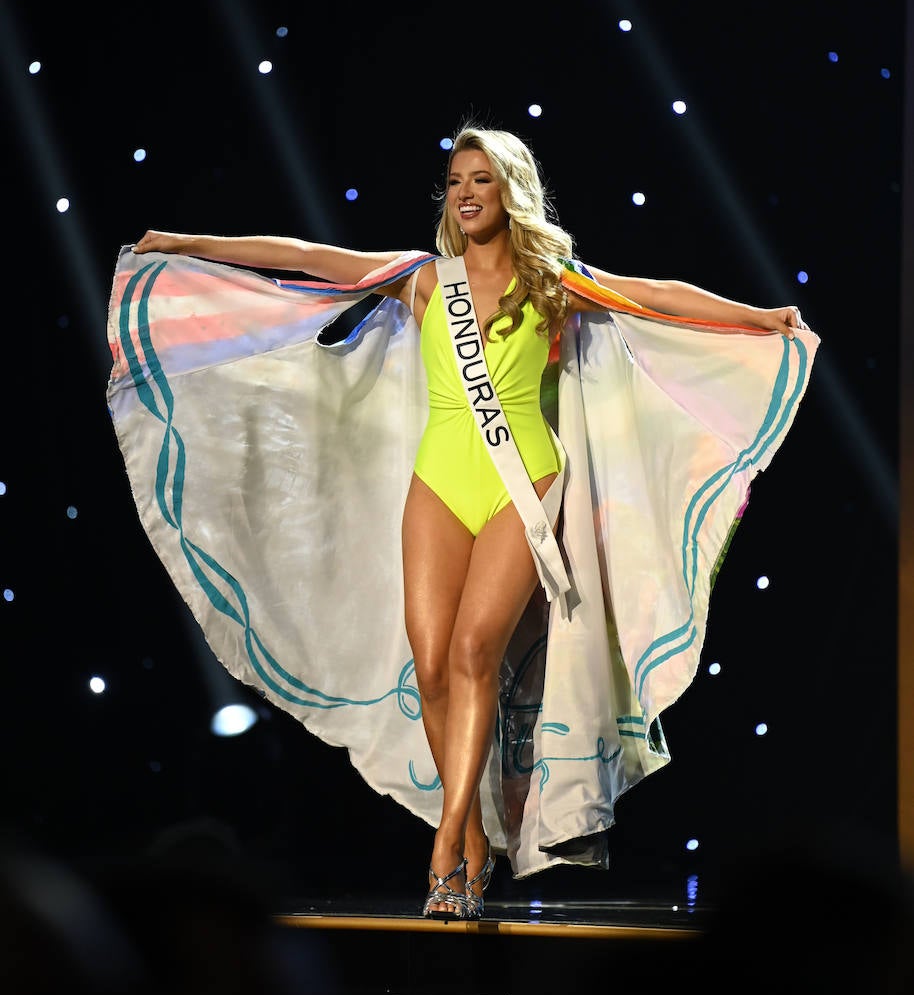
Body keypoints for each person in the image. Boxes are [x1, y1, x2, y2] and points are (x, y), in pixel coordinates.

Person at [121, 125, 815, 920]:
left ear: (509, 189)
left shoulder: (551, 279)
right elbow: (310, 258)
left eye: (481, 179)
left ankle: (447, 845)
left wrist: (762, 316)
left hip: (525, 482)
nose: (466, 193)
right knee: (429, 668)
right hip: (440, 480)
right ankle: (478, 837)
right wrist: (182, 240)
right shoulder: (422, 280)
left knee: (474, 650)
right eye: (455, 181)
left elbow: (655, 295)